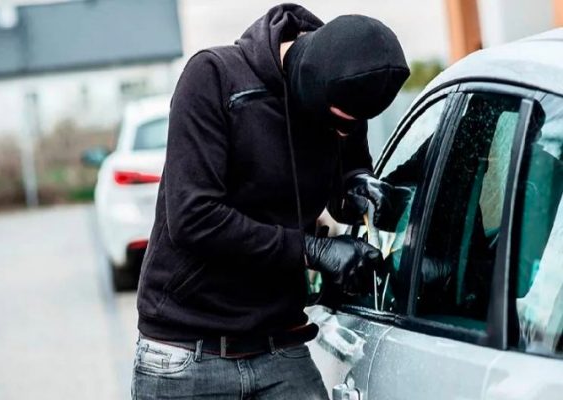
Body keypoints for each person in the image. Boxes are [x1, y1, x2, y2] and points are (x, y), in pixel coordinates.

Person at [132, 4, 410, 399]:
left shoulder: (343, 98)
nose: (342, 131)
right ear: (308, 84)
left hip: (280, 346)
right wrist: (312, 250)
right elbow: (194, 217)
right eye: (338, 121)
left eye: (352, 125)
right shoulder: (214, 78)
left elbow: (342, 190)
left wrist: (360, 185)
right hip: (187, 353)